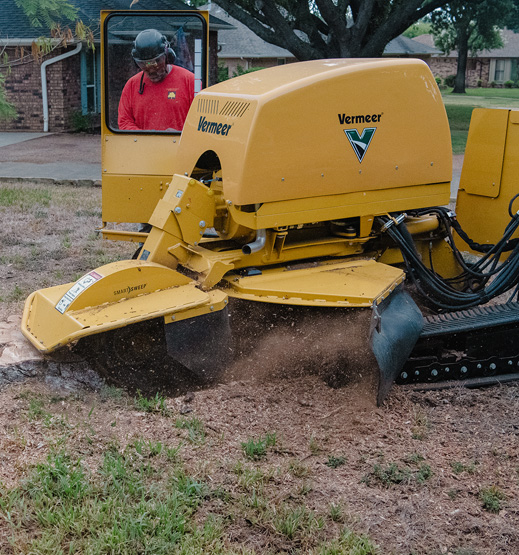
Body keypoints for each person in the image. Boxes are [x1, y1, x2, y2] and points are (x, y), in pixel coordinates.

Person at [118, 29, 195, 131]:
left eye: (156, 63)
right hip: (144, 146)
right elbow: (124, 122)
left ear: (167, 56)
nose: (151, 69)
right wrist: (148, 137)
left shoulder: (190, 81)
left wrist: (179, 135)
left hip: (180, 146)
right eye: (144, 64)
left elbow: (203, 122)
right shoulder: (132, 85)